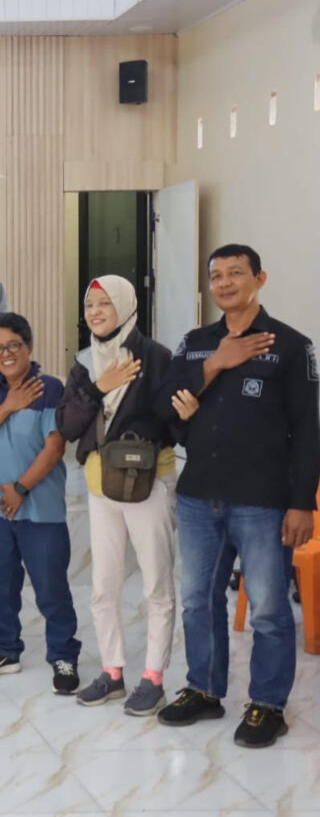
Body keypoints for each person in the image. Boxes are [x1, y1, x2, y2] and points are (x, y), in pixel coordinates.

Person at [156, 244, 318, 748]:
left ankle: (268, 703)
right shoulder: (195, 343)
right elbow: (166, 405)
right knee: (198, 601)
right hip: (199, 494)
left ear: (259, 279)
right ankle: (205, 689)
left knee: (268, 607)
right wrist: (216, 364)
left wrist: (302, 503)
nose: (223, 283)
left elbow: (308, 431)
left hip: (261, 499)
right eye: (216, 275)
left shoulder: (290, 346)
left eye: (235, 273)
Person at [57, 275, 178, 715]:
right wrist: (99, 387)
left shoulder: (155, 356)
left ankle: (153, 678)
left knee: (157, 584)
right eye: (89, 304)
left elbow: (171, 422)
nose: (95, 312)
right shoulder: (84, 363)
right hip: (100, 485)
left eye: (104, 303)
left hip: (147, 483)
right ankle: (112, 672)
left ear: (126, 305)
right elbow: (68, 426)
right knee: (103, 586)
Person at [0, 313, 81, 695]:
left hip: (40, 508)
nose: (5, 354)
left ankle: (63, 654)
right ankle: (4, 649)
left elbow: (55, 447)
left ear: (28, 346)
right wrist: (9, 406)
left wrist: (21, 488)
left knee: (50, 589)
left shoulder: (49, 388)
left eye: (13, 345)